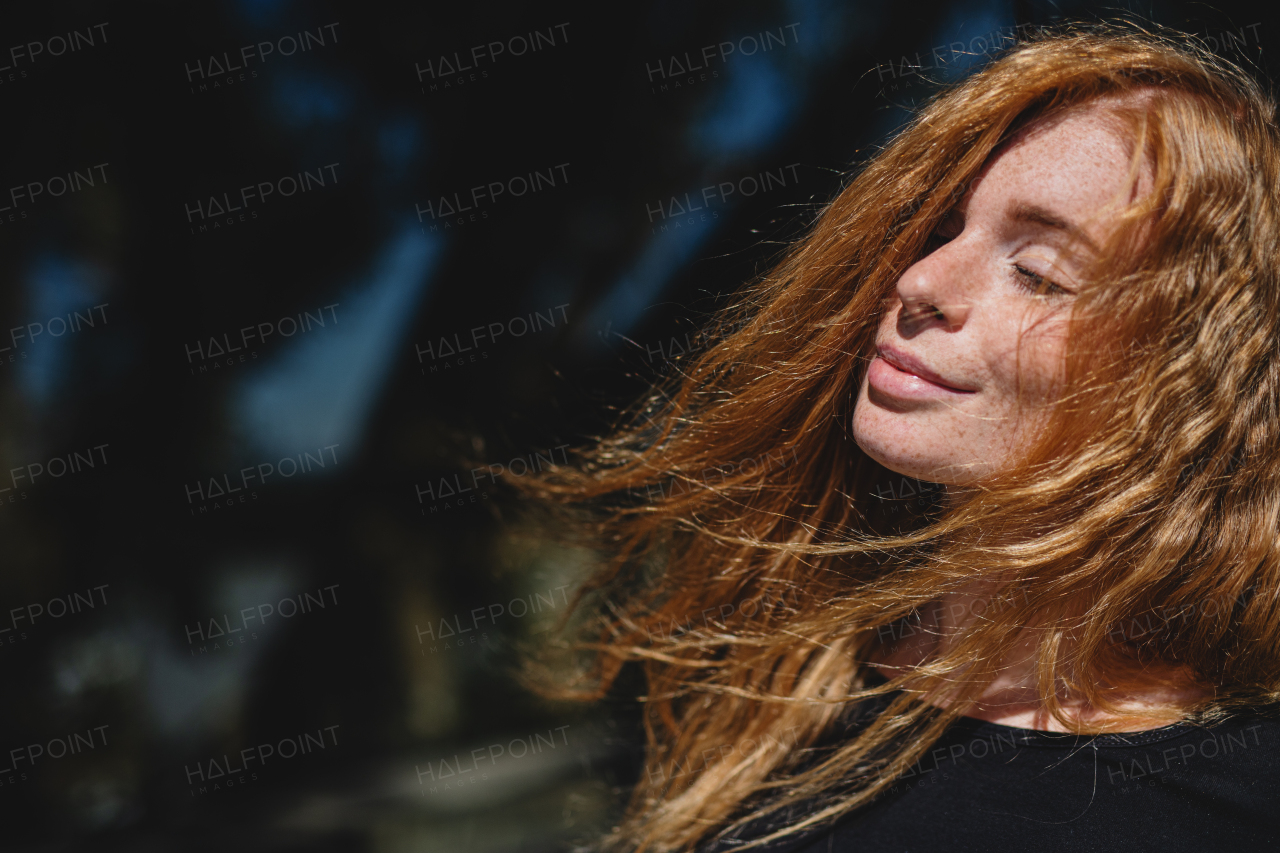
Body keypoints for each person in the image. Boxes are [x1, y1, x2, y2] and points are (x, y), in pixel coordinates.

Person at [517, 24, 1280, 853]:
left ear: (1201, 380)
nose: (919, 281)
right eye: (942, 229)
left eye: (1038, 272)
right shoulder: (766, 672)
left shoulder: (1225, 805)